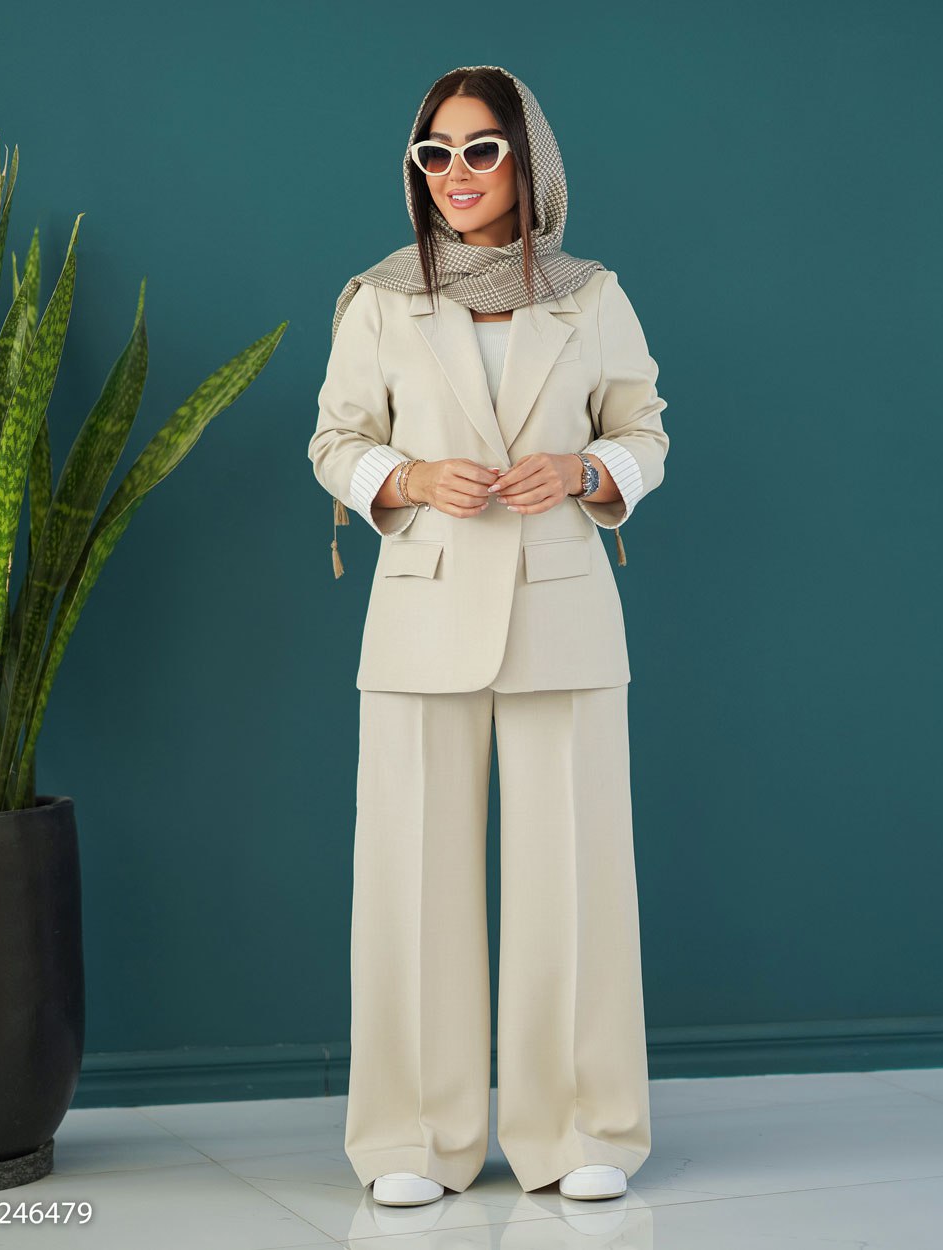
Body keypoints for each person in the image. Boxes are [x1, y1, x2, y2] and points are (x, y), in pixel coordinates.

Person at [308, 63, 669, 1208]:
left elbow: (645, 432)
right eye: (434, 153)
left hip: (563, 609)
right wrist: (407, 476)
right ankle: (413, 1139)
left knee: (575, 877)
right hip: (420, 612)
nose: (454, 172)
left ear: (528, 161)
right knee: (409, 880)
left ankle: (581, 1128)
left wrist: (587, 470)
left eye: (480, 149)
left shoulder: (591, 296)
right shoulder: (379, 299)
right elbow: (333, 441)